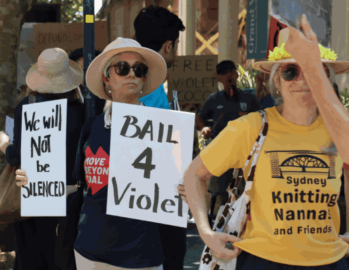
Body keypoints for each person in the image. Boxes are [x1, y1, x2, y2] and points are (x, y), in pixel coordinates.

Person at [178, 16, 349, 269]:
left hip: (330, 260)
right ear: (276, 82)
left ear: (326, 79)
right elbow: (194, 175)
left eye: (313, 71)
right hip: (262, 260)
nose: (302, 80)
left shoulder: (338, 130)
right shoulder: (251, 128)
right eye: (290, 72)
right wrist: (205, 232)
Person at [16, 38, 167, 269]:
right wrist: (34, 179)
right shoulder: (92, 127)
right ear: (107, 78)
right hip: (89, 252)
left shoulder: (163, 131)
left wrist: (187, 189)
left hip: (141, 255)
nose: (131, 75)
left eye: (139, 69)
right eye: (122, 68)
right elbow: (78, 185)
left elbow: (176, 189)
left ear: (145, 78)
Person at [0, 47, 85, 270]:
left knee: (31, 258)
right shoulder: (83, 111)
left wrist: (4, 144)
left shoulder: (27, 107)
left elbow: (18, 155)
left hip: (34, 196)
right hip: (71, 200)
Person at [133, 5, 188, 269]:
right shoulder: (152, 87)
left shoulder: (128, 77)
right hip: (155, 202)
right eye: (176, 46)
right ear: (168, 46)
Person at [197, 60, 260, 213]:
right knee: (222, 189)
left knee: (246, 188)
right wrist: (204, 128)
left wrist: (251, 117)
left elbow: (262, 118)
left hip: (246, 152)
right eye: (224, 73)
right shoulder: (214, 99)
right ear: (218, 77)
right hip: (222, 151)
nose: (229, 76)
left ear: (237, 74)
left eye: (231, 72)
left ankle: (243, 218)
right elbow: (200, 117)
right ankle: (226, 217)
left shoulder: (249, 98)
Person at [133, 5, 185, 109]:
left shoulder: (134, 77)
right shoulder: (150, 85)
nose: (176, 52)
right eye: (177, 44)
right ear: (169, 46)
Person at [68, 48, 105, 115]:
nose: (94, 72)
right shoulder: (65, 102)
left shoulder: (104, 100)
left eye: (97, 68)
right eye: (86, 68)